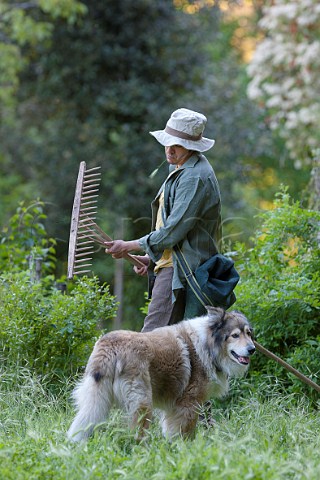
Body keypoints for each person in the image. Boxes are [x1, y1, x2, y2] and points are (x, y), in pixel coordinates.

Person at [105, 108, 222, 332]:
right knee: (170, 347)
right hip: (169, 264)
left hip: (182, 270)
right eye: (168, 142)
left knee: (150, 341)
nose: (169, 149)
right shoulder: (180, 167)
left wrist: (128, 245)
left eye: (176, 145)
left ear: (191, 146)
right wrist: (151, 258)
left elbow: (172, 232)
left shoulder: (194, 176)